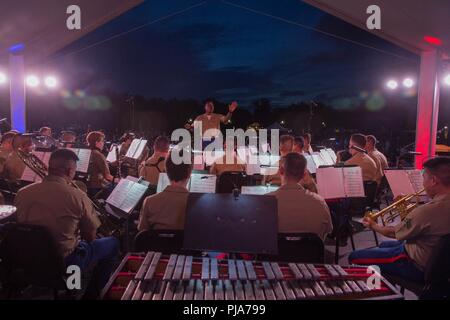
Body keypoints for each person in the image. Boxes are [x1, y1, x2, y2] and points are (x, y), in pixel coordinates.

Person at [15, 149, 119, 298]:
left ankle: (61, 286)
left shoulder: (22, 193)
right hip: (66, 262)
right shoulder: (77, 196)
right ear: (70, 171)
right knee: (113, 243)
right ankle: (81, 290)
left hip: (29, 258)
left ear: (49, 166)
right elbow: (90, 236)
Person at [349, 157, 450, 282]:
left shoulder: (427, 211)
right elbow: (420, 226)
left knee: (354, 256)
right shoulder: (430, 210)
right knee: (382, 245)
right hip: (441, 266)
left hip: (416, 264)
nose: (423, 183)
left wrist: (373, 225)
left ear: (434, 180)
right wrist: (407, 212)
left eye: (424, 178)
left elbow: (395, 233)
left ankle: (379, 292)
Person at [267, 152, 332, 240]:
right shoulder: (320, 202)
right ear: (304, 174)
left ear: (281, 171)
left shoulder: (265, 202)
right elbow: (328, 230)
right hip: (310, 253)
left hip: (277, 253)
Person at [138, 151, 192, 231]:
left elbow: (142, 233)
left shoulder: (149, 202)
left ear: (166, 171)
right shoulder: (197, 204)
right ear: (189, 172)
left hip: (156, 243)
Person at [86, 131, 114, 195]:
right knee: (117, 187)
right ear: (96, 142)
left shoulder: (87, 152)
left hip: (87, 184)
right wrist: (119, 180)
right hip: (97, 187)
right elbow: (107, 176)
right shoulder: (98, 154)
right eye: (102, 141)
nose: (103, 143)